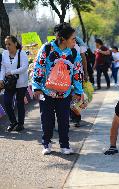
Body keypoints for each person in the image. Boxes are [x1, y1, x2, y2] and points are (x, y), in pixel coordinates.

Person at [32, 23, 83, 155]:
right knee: (47, 120)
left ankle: (64, 145)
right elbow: (39, 66)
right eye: (73, 38)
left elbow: (77, 72)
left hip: (65, 94)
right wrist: (37, 87)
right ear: (63, 39)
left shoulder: (74, 52)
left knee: (64, 121)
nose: (75, 41)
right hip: (46, 92)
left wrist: (78, 90)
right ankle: (46, 143)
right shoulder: (47, 48)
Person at [0, 36, 29, 132]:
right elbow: (3, 67)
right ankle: (13, 122)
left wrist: (12, 72)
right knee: (7, 101)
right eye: (6, 44)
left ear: (15, 44)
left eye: (9, 44)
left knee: (20, 103)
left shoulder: (22, 53)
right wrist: (1, 79)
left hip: (21, 83)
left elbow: (25, 67)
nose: (7, 46)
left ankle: (20, 124)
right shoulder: (4, 53)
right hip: (10, 83)